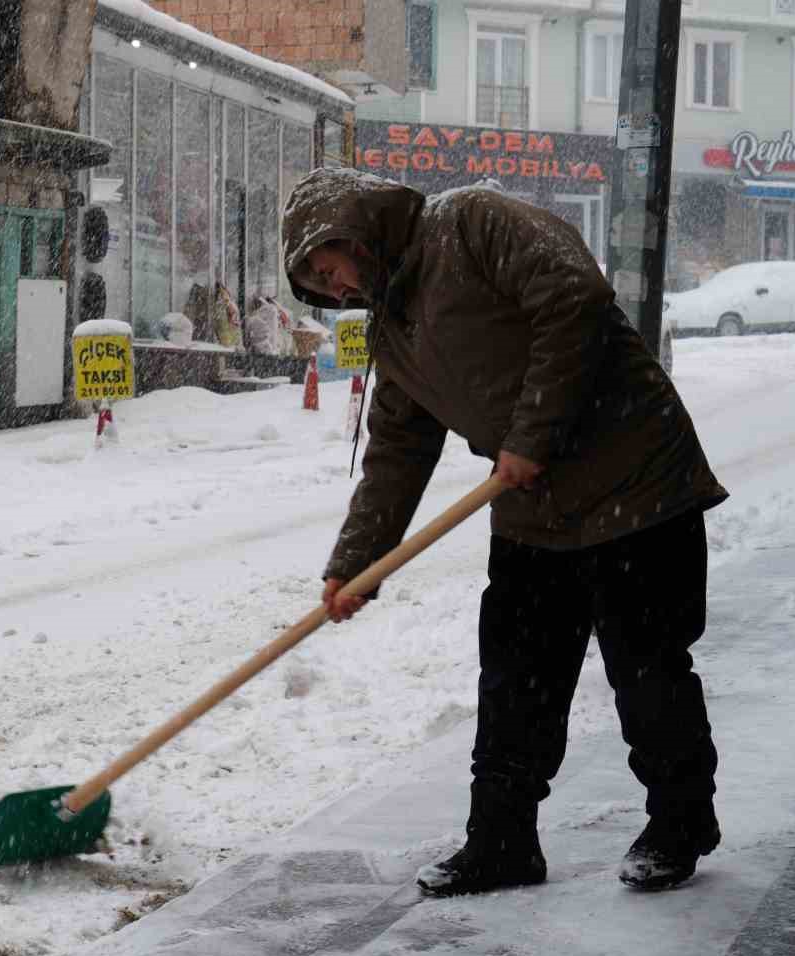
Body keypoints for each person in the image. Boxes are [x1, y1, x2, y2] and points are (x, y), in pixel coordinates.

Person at [282, 169, 729, 895]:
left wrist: (531, 433)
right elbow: (397, 449)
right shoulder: (392, 329)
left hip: (636, 480)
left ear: (352, 231)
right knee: (516, 681)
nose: (335, 293)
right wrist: (357, 563)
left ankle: (680, 824)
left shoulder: (474, 222)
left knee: (645, 668)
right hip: (533, 507)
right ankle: (501, 842)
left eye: (330, 272)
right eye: (321, 288)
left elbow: (573, 296)